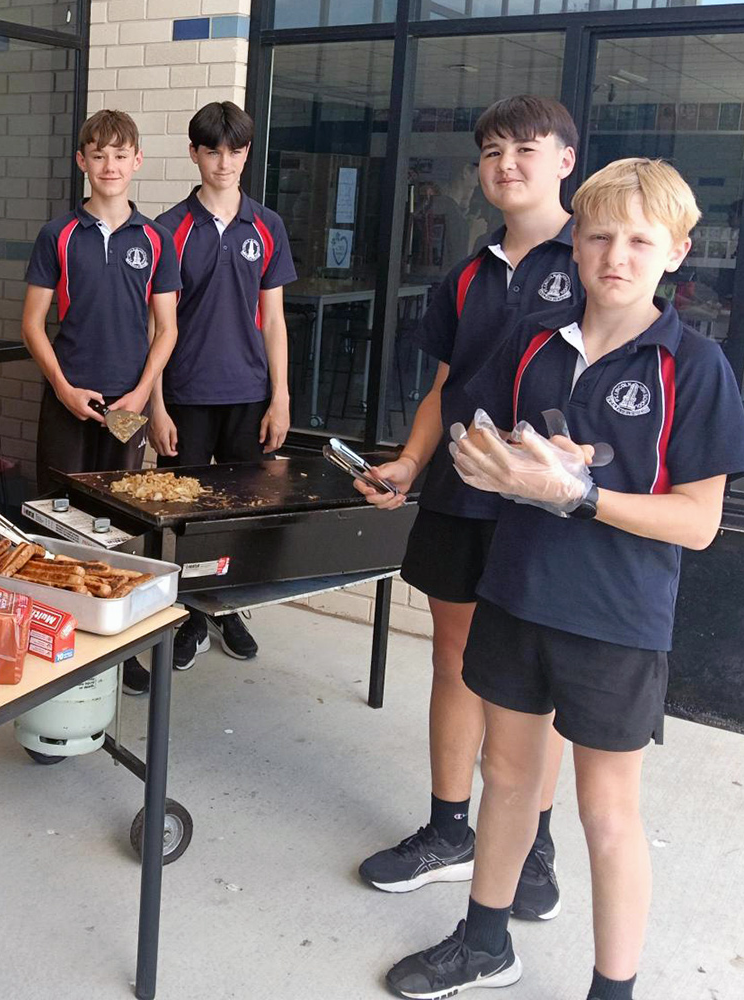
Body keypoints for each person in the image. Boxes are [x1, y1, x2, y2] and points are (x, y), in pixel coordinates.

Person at [387, 157, 744, 1000]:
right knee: (509, 780)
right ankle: (486, 945)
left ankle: (612, 989)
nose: (616, 257)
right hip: (515, 591)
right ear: (574, 245)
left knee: (605, 812)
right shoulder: (536, 344)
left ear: (677, 251)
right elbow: (489, 431)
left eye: (640, 241)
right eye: (600, 237)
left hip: (616, 619)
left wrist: (583, 493)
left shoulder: (694, 367)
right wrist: (505, 458)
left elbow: (698, 521)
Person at [356, 96, 581, 915]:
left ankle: (533, 845)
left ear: (565, 160)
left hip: (543, 507)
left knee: (532, 680)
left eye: (525, 148)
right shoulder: (465, 274)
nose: (505, 164)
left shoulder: (593, 260)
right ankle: (451, 829)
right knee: (452, 660)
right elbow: (444, 389)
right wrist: (410, 464)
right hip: (459, 493)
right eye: (491, 152)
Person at [22, 108, 181, 696]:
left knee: (118, 526)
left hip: (127, 406)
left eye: (120, 155)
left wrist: (141, 395)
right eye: (98, 154)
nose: (109, 165)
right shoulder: (58, 235)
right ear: (81, 161)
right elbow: (32, 324)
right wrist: (63, 387)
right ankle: (56, 636)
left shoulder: (156, 239)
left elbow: (166, 329)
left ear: (136, 161)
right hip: (67, 400)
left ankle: (116, 646)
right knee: (56, 518)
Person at [152, 101, 296, 667]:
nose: (224, 162)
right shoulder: (169, 229)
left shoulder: (267, 226)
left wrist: (280, 397)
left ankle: (228, 607)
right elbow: (154, 328)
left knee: (240, 512)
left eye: (235, 151)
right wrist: (156, 406)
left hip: (249, 395)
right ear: (194, 153)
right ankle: (188, 615)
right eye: (212, 150)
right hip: (185, 395)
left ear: (247, 154)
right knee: (185, 518)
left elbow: (274, 320)